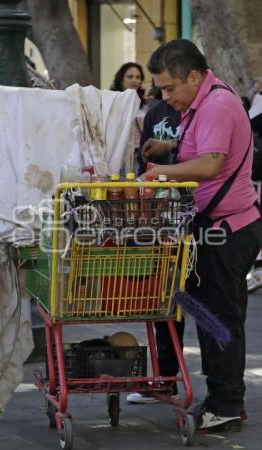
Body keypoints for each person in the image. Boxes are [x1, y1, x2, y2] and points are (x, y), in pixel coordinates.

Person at [139, 39, 262, 432]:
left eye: (170, 88)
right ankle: (221, 397)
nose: (166, 96)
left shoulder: (219, 104)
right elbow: (204, 145)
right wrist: (169, 146)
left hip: (229, 230)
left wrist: (158, 173)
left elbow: (210, 163)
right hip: (213, 227)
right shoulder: (203, 103)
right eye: (161, 89)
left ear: (194, 76)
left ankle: (226, 404)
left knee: (220, 318)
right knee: (209, 315)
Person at [127, 94, 182, 404]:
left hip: (199, 211)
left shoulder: (205, 109)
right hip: (161, 214)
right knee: (165, 297)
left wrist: (170, 149)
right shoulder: (157, 112)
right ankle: (166, 377)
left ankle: (224, 394)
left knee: (206, 304)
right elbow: (143, 161)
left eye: (170, 84)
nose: (166, 93)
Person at [110, 62, 147, 173]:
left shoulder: (146, 104)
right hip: (118, 153)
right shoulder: (112, 101)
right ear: (121, 80)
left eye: (138, 77)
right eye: (130, 77)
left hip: (139, 153)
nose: (134, 80)